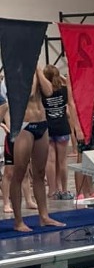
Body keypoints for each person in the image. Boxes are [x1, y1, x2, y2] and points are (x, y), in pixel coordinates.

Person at [10, 68, 66, 233]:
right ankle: (18, 221)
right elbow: (28, 93)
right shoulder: (16, 70)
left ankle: (44, 216)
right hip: (24, 125)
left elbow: (49, 92)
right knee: (19, 172)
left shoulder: (37, 70)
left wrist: (37, 70)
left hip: (42, 123)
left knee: (40, 173)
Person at [42, 65, 74, 200]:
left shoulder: (43, 92)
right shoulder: (64, 90)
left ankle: (52, 190)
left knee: (50, 161)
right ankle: (64, 190)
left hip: (48, 128)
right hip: (62, 127)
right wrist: (59, 76)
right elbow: (69, 83)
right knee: (62, 161)